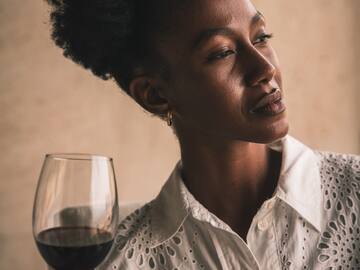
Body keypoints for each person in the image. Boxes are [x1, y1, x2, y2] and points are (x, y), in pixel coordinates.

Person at [46, 0, 360, 269]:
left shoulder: (353, 195)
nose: (265, 68)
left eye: (261, 36)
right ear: (154, 94)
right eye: (223, 52)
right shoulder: (122, 259)